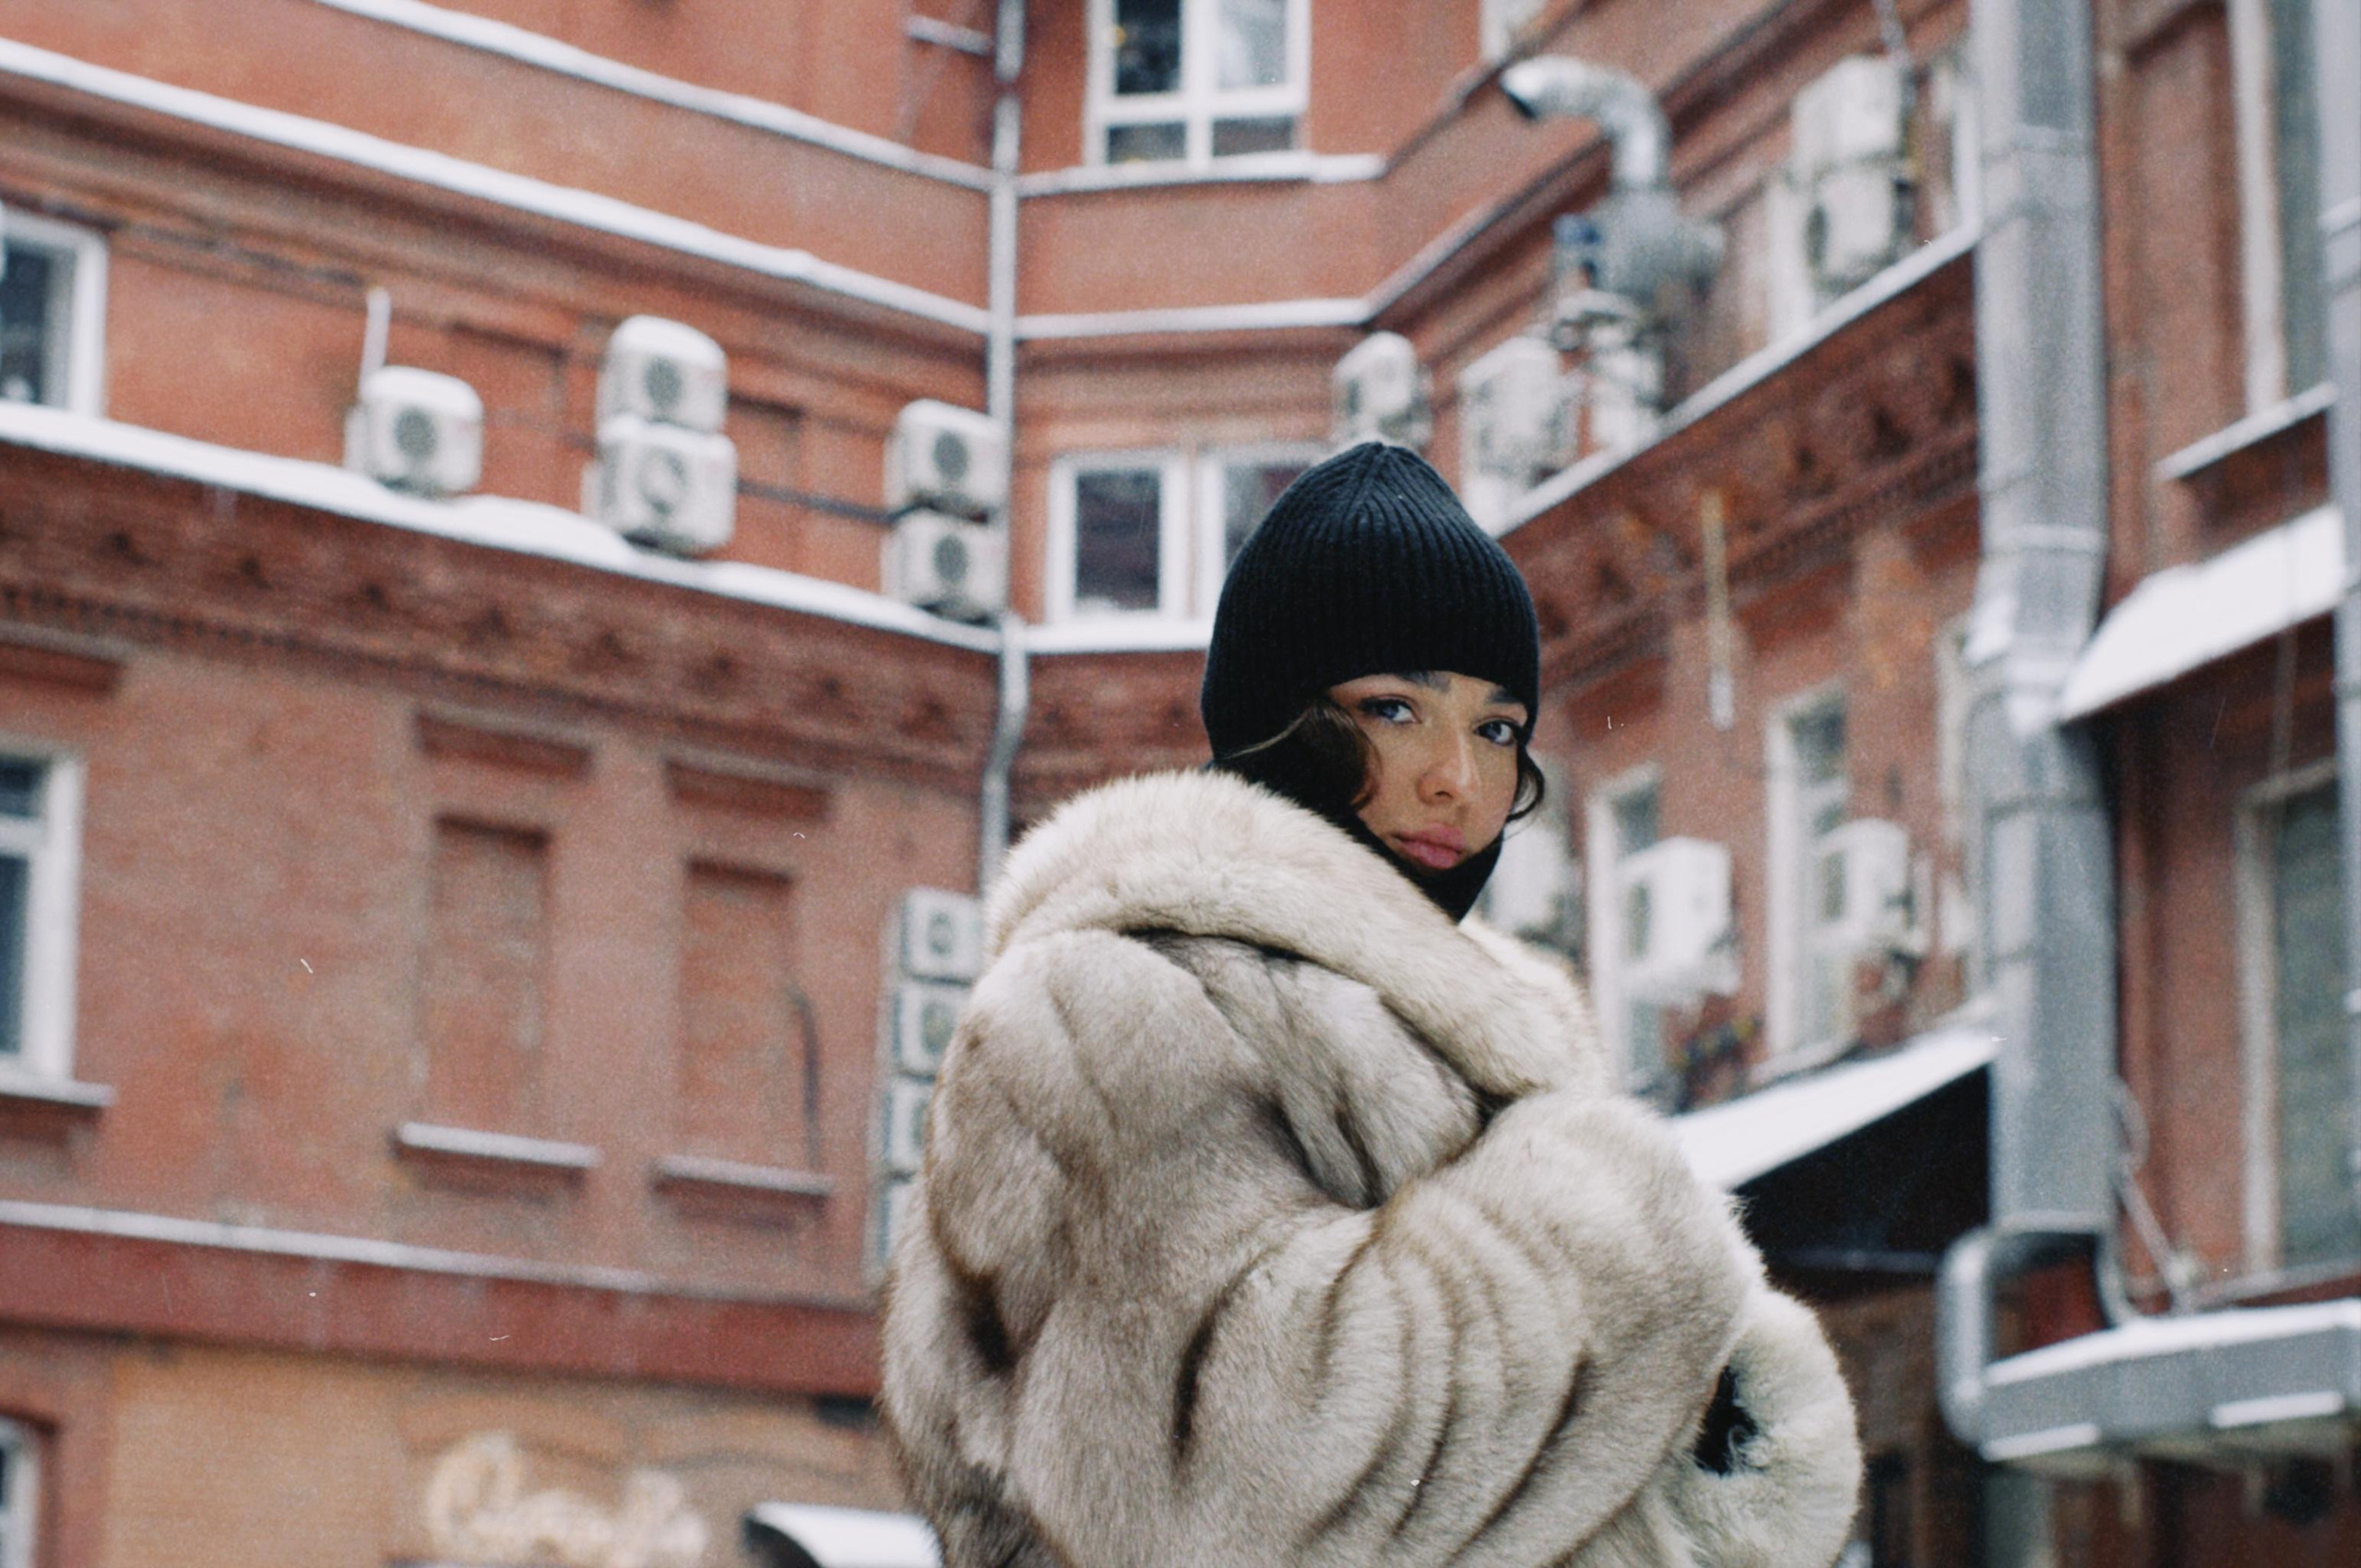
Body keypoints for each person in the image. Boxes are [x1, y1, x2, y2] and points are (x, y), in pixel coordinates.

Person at [881, 443, 1861, 1567]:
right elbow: (1222, 1494)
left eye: (1497, 728)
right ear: (1275, 716)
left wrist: (1725, 1469)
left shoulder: (1461, 1023)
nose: (1458, 775)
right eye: (1398, 709)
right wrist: (1606, 1234)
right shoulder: (1110, 1006)